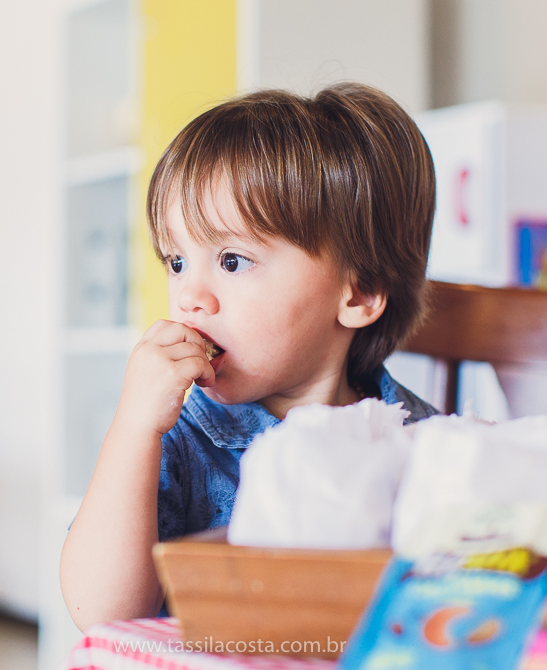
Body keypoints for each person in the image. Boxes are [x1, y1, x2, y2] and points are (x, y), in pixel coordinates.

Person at [60, 83, 438, 629]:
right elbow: (98, 612)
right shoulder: (177, 439)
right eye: (176, 261)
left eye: (233, 262)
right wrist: (133, 428)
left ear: (358, 293)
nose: (189, 295)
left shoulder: (416, 441)